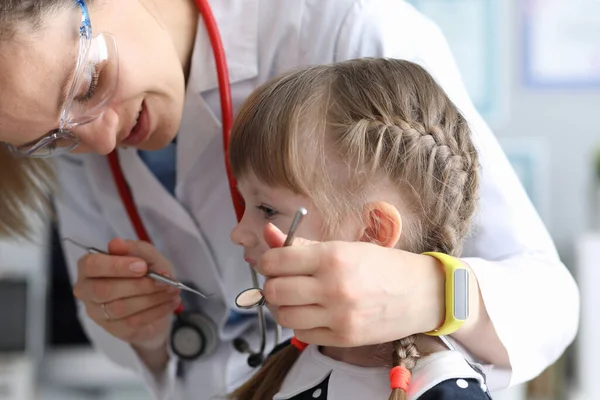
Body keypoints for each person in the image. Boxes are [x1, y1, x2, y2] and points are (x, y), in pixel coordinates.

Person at [0, 0, 578, 399]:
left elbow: (551, 302)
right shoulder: (75, 135)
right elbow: (160, 358)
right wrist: (142, 330)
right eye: (54, 139)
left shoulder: (341, 25)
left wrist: (432, 291)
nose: (98, 142)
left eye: (91, 82)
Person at [227, 57, 491, 400]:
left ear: (373, 232)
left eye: (267, 209)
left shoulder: (440, 391)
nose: (238, 233)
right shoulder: (291, 364)